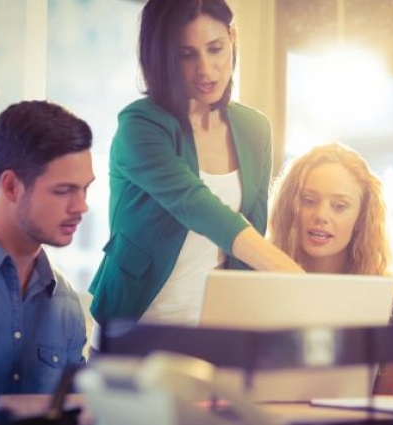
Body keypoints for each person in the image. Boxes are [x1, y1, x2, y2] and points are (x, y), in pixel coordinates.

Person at [88, 0, 302, 330]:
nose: (205, 69)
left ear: (232, 39)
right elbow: (196, 206)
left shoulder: (254, 128)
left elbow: (252, 230)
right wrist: (296, 278)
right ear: (161, 58)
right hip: (136, 325)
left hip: (216, 330)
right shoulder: (140, 125)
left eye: (215, 48)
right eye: (186, 55)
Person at [268, 142, 393, 393]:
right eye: (308, 200)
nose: (321, 215)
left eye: (339, 206)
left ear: (360, 219)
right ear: (290, 207)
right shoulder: (258, 283)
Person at [0, 100, 93, 397]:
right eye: (63, 190)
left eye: (85, 189)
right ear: (11, 187)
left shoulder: (66, 303)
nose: (81, 206)